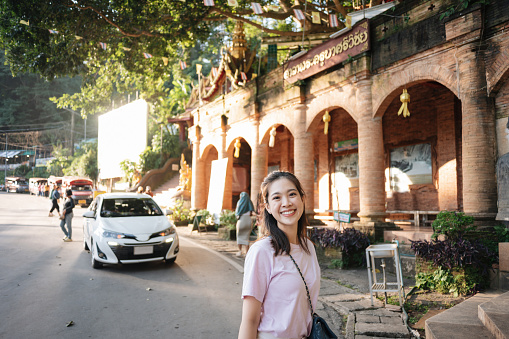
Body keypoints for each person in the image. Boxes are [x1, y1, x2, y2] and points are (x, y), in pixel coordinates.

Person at [238, 171, 320, 339]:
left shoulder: (309, 248)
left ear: (302, 198)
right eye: (276, 198)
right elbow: (250, 320)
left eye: (292, 194)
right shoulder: (262, 251)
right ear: (267, 206)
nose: (286, 203)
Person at [235, 192, 255, 257]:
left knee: (239, 236)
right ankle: (247, 253)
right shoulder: (250, 202)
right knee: (246, 237)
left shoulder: (239, 202)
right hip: (248, 220)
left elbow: (237, 213)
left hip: (241, 220)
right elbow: (252, 213)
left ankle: (240, 251)